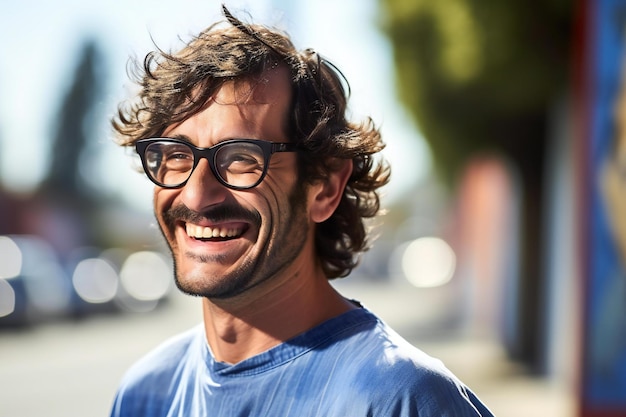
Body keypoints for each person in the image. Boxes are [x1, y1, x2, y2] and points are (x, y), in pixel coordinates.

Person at [109, 5, 494, 417]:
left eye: (241, 157)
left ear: (324, 188)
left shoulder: (400, 399)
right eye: (176, 155)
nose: (197, 195)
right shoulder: (145, 394)